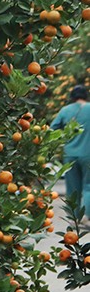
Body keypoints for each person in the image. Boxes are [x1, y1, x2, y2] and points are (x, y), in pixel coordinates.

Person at [52, 84, 90, 221]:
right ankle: (87, 214)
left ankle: (74, 217)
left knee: (73, 188)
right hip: (88, 154)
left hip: (70, 154)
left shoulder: (65, 110)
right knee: (89, 185)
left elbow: (52, 129)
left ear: (72, 97)